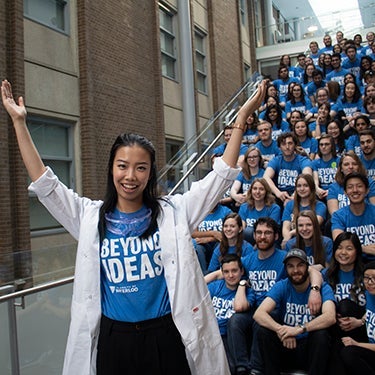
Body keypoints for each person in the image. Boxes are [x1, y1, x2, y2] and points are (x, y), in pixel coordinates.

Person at [1, 78, 267, 375]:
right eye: (122, 165)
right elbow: (46, 185)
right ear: (111, 168)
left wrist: (241, 119)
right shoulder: (89, 218)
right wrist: (19, 123)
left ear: (150, 173)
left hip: (165, 335)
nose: (130, 176)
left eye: (141, 167)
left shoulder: (173, 212)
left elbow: (221, 176)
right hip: (115, 340)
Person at [254, 248, 336, 375]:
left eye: (300, 265)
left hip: (309, 348)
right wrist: (282, 330)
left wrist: (299, 329)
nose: (296, 270)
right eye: (290, 266)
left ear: (308, 267)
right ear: (286, 269)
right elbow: (259, 314)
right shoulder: (282, 285)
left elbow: (330, 316)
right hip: (286, 346)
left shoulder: (322, 288)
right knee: (263, 330)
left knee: (322, 335)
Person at [326, 232, 367, 374]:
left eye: (349, 248)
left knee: (345, 305)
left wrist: (360, 321)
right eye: (339, 248)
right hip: (336, 329)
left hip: (362, 328)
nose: (343, 252)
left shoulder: (366, 275)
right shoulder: (327, 275)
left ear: (357, 251)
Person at [207, 254, 255, 374]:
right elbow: (196, 288)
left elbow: (239, 307)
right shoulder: (215, 287)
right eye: (226, 272)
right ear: (222, 273)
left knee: (230, 368)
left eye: (234, 271)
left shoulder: (248, 292)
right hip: (211, 335)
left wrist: (242, 284)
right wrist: (216, 274)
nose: (231, 275)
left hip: (228, 337)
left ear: (241, 271)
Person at [340, 260, 375, 374]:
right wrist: (360, 321)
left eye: (374, 278)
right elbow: (369, 313)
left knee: (349, 353)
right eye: (366, 278)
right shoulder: (370, 294)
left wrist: (356, 344)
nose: (370, 282)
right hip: (370, 344)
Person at [332, 172, 375, 262]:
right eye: (350, 187)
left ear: (367, 190)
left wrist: (352, 247)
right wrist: (362, 248)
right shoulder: (339, 216)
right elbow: (339, 242)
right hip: (352, 262)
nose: (355, 190)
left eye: (359, 186)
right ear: (345, 192)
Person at [263, 132, 312, 205]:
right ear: (279, 147)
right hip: (279, 195)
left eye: (290, 143)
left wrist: (294, 197)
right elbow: (266, 177)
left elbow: (308, 177)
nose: (287, 147)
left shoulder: (303, 160)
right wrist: (278, 193)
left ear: (295, 145)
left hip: (299, 194)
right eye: (283, 144)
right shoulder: (276, 160)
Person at [281, 174, 326, 246]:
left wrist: (291, 233)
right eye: (299, 186)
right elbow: (285, 227)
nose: (302, 189)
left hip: (313, 242)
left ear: (311, 187)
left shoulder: (320, 206)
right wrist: (286, 238)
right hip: (294, 242)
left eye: (305, 185)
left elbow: (315, 224)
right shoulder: (290, 205)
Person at [327, 151, 375, 216]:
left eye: (354, 164)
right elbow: (334, 214)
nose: (350, 167)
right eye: (346, 164)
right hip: (343, 222)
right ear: (341, 169)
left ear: (359, 167)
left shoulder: (369, 183)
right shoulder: (333, 187)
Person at [192, 203, 232, 273]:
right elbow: (193, 233)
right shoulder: (198, 212)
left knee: (221, 245)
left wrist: (209, 239)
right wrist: (212, 233)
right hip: (202, 244)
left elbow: (230, 231)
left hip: (218, 242)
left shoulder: (225, 211)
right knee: (197, 246)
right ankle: (204, 275)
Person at [238, 178, 281, 244]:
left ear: (266, 191)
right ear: (251, 191)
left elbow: (270, 231)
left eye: (261, 189)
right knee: (247, 231)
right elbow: (242, 229)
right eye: (255, 189)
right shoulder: (244, 207)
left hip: (266, 241)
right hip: (247, 243)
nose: (257, 192)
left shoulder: (274, 208)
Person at [313, 134, 340, 200]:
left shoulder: (339, 161)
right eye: (321, 145)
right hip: (320, 193)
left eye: (327, 144)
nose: (323, 147)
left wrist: (330, 191)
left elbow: (340, 180)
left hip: (336, 192)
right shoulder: (315, 162)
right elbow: (315, 180)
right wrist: (317, 189)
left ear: (332, 146)